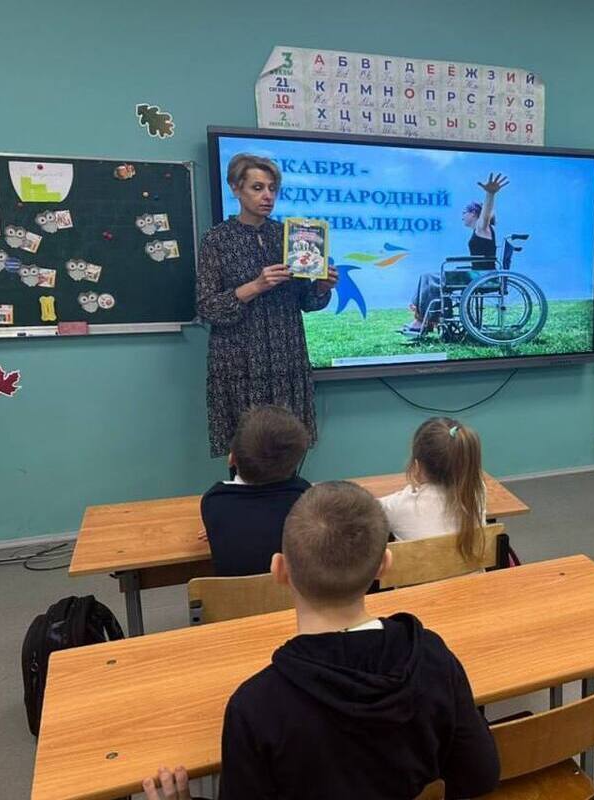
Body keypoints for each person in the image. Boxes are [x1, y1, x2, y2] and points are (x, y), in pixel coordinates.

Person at [221, 481, 501, 799]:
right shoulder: (431, 657)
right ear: (385, 564)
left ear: (279, 569)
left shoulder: (254, 706)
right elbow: (480, 776)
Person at [196, 154, 337, 458]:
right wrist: (255, 286)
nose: (267, 196)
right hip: (240, 362)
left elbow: (306, 301)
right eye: (257, 188)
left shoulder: (290, 237)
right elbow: (207, 307)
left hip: (286, 356)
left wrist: (322, 287)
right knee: (246, 451)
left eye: (272, 188)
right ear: (236, 189)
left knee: (287, 448)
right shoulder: (217, 240)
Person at [200, 405, 311, 576]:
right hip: (292, 592)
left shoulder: (215, 501)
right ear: (295, 463)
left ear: (232, 458)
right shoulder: (305, 498)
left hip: (236, 594)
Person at [402, 173, 509, 335]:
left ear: (473, 213)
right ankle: (425, 320)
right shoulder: (479, 230)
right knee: (428, 277)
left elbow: (486, 213)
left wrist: (490, 194)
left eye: (464, 212)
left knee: (429, 277)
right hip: (478, 275)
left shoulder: (482, 228)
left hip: (482, 276)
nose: (462, 216)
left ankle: (423, 321)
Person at [379, 417, 487, 559]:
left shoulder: (396, 506)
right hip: (473, 574)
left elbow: (363, 512)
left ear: (416, 466)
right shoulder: (476, 492)